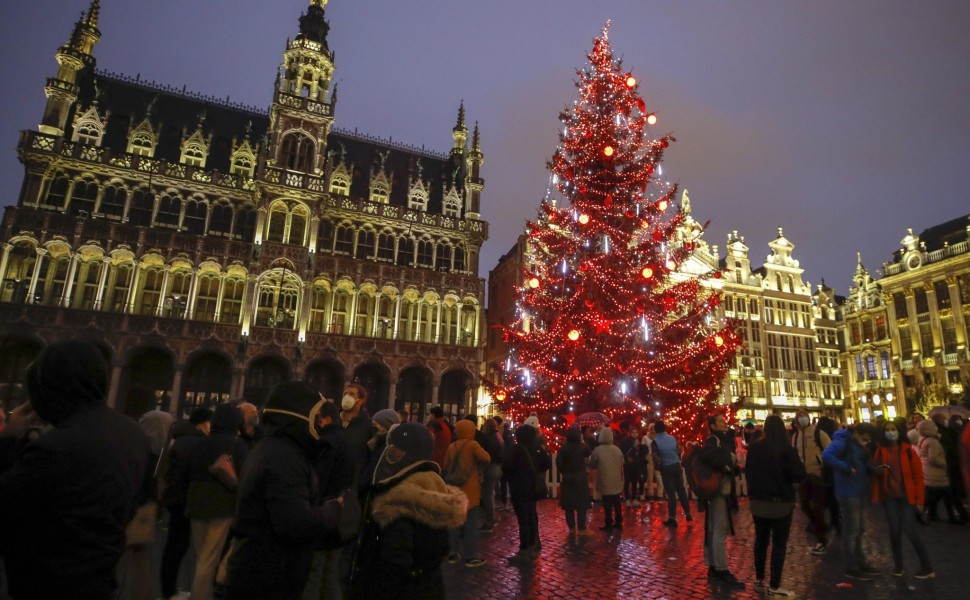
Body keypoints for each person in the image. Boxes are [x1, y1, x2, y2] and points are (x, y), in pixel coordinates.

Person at [0, 339, 153, 600]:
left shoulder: (56, 447)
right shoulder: (133, 434)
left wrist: (6, 441)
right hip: (101, 578)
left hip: (48, 584)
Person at [222, 381, 343, 600]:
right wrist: (333, 510)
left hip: (260, 571)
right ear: (300, 416)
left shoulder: (271, 448)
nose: (319, 424)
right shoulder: (285, 459)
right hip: (268, 578)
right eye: (315, 416)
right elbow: (296, 524)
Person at [349, 422, 466, 599]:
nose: (389, 452)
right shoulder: (433, 483)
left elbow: (395, 559)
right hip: (428, 586)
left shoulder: (399, 498)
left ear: (406, 452)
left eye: (394, 448)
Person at [185, 403, 248, 600]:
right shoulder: (237, 445)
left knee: (201, 556)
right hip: (222, 505)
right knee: (209, 559)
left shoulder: (198, 443)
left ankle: (201, 593)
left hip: (196, 503)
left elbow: (190, 472)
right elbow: (244, 475)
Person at [117, 410, 174, 600]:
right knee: (139, 559)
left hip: (129, 505)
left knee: (125, 556)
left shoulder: (131, 445)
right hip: (143, 508)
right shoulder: (160, 451)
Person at [746, 415, 805, 597]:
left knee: (761, 541)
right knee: (779, 544)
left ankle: (759, 579)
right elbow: (798, 474)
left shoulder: (754, 448)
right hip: (780, 503)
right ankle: (774, 585)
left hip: (758, 502)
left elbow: (748, 472)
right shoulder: (786, 449)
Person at [159, 406, 213, 600]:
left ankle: (168, 588)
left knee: (175, 543)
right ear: (202, 423)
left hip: (176, 497)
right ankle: (170, 589)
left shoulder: (181, 439)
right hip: (186, 498)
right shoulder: (195, 443)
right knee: (179, 545)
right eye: (209, 422)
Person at [871, 418, 935, 579]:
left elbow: (917, 477)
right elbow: (875, 471)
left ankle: (926, 566)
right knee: (894, 531)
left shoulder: (909, 451)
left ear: (899, 432)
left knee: (910, 530)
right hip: (889, 497)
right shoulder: (880, 451)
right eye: (887, 430)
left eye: (893, 429)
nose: (890, 432)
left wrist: (919, 499)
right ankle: (898, 565)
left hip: (906, 496)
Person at [302, 399, 353, 600]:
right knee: (331, 572)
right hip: (341, 510)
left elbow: (318, 481)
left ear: (325, 419)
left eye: (317, 417)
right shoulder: (346, 439)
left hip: (324, 511)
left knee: (314, 571)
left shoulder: (327, 442)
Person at [822, 422, 879, 580]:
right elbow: (827, 455)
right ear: (857, 433)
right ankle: (851, 566)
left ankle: (860, 562)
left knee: (859, 529)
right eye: (864, 439)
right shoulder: (842, 441)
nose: (865, 442)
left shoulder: (857, 443)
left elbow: (860, 462)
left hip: (859, 490)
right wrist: (845, 467)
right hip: (848, 491)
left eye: (867, 440)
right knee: (851, 530)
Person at [698, 413, 744, 588]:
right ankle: (721, 568)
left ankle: (713, 565)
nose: (725, 423)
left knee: (713, 526)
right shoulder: (713, 440)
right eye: (720, 421)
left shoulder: (721, 439)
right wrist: (725, 467)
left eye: (724, 421)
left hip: (718, 489)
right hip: (718, 490)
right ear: (712, 425)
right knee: (719, 527)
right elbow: (708, 456)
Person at [444, 418, 491, 567]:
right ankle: (470, 556)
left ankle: (453, 552)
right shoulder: (472, 445)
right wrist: (478, 467)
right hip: (470, 488)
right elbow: (486, 458)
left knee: (453, 522)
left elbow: (446, 465)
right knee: (470, 523)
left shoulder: (452, 446)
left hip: (454, 488)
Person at [503, 423, 550, 563]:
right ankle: (535, 541)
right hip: (533, 487)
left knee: (523, 518)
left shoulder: (515, 450)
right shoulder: (538, 450)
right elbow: (546, 464)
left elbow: (506, 466)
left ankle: (525, 548)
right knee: (531, 513)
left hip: (519, 488)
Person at [791, 409, 831, 555]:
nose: (802, 419)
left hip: (817, 475)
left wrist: (821, 464)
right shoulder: (795, 436)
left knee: (818, 507)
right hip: (804, 476)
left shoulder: (818, 433)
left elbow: (829, 450)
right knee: (805, 505)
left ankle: (822, 539)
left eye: (804, 417)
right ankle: (821, 527)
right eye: (799, 417)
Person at [915, 419, 958, 523]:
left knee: (935, 496)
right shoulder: (932, 441)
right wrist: (944, 464)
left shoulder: (923, 439)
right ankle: (951, 517)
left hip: (928, 472)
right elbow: (934, 458)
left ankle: (931, 514)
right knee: (946, 496)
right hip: (937, 473)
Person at [651, 421, 692, 527]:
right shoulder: (672, 438)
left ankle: (672, 518)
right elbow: (678, 451)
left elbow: (655, 457)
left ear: (655, 430)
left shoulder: (655, 442)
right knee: (681, 489)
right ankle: (688, 513)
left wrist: (659, 467)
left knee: (671, 493)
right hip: (676, 465)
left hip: (666, 467)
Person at [557, 427, 593, 535]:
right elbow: (588, 452)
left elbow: (559, 463)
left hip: (568, 478)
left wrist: (565, 471)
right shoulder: (582, 447)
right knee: (581, 504)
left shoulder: (563, 448)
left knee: (569, 505)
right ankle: (582, 528)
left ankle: (571, 528)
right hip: (580, 478)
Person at [590, 426, 624, 530]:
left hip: (604, 478)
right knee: (616, 501)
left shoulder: (597, 450)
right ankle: (618, 521)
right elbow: (622, 462)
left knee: (607, 502)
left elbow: (592, 464)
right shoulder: (617, 450)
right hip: (616, 479)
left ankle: (608, 522)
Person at [479, 416, 504, 532]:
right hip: (498, 466)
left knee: (487, 494)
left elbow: (486, 453)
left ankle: (489, 520)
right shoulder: (498, 437)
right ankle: (490, 518)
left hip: (491, 466)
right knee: (490, 492)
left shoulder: (488, 438)